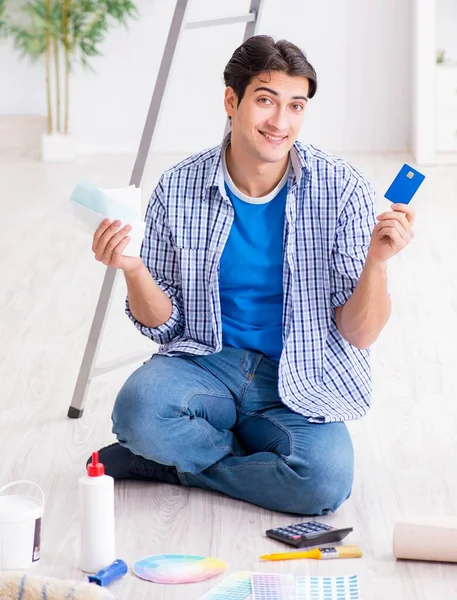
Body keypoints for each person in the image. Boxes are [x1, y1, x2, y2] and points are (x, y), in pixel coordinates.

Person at [90, 35, 415, 515]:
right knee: (138, 411)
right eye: (265, 100)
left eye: (296, 106)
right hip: (207, 361)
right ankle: (240, 461)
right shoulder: (178, 187)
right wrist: (132, 270)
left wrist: (377, 262)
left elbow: (359, 333)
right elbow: (161, 325)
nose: (280, 123)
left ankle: (174, 466)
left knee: (324, 482)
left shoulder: (342, 189)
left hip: (299, 375)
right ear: (231, 100)